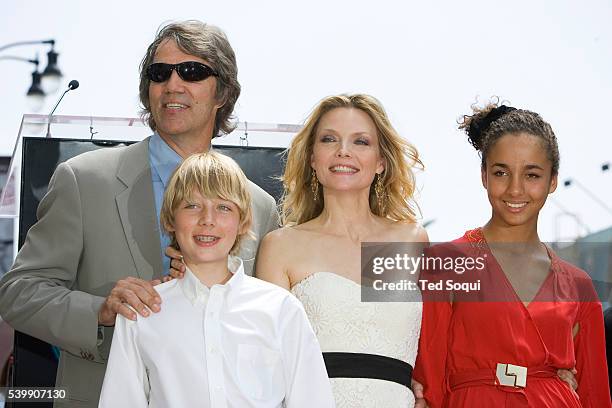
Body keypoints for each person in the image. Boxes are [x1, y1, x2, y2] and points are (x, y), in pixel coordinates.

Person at [0, 21, 278, 407]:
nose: (173, 85)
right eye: (159, 73)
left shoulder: (260, 207)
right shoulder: (84, 180)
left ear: (224, 92)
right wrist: (100, 310)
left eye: (193, 72)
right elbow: (19, 293)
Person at [413, 100, 611, 407]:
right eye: (502, 173)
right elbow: (429, 376)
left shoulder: (580, 287)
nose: (515, 190)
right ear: (484, 176)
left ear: (553, 181)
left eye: (532, 175)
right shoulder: (446, 263)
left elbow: (595, 394)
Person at [98, 152, 334, 408]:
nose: (207, 220)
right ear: (169, 220)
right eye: (192, 206)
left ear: (243, 221)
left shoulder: (282, 310)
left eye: (223, 207)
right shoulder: (142, 312)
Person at [256, 94, 427, 407]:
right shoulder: (281, 246)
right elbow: (266, 361)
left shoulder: (411, 240)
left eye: (360, 141)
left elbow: (431, 348)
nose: (343, 151)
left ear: (381, 161)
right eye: (329, 139)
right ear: (312, 158)